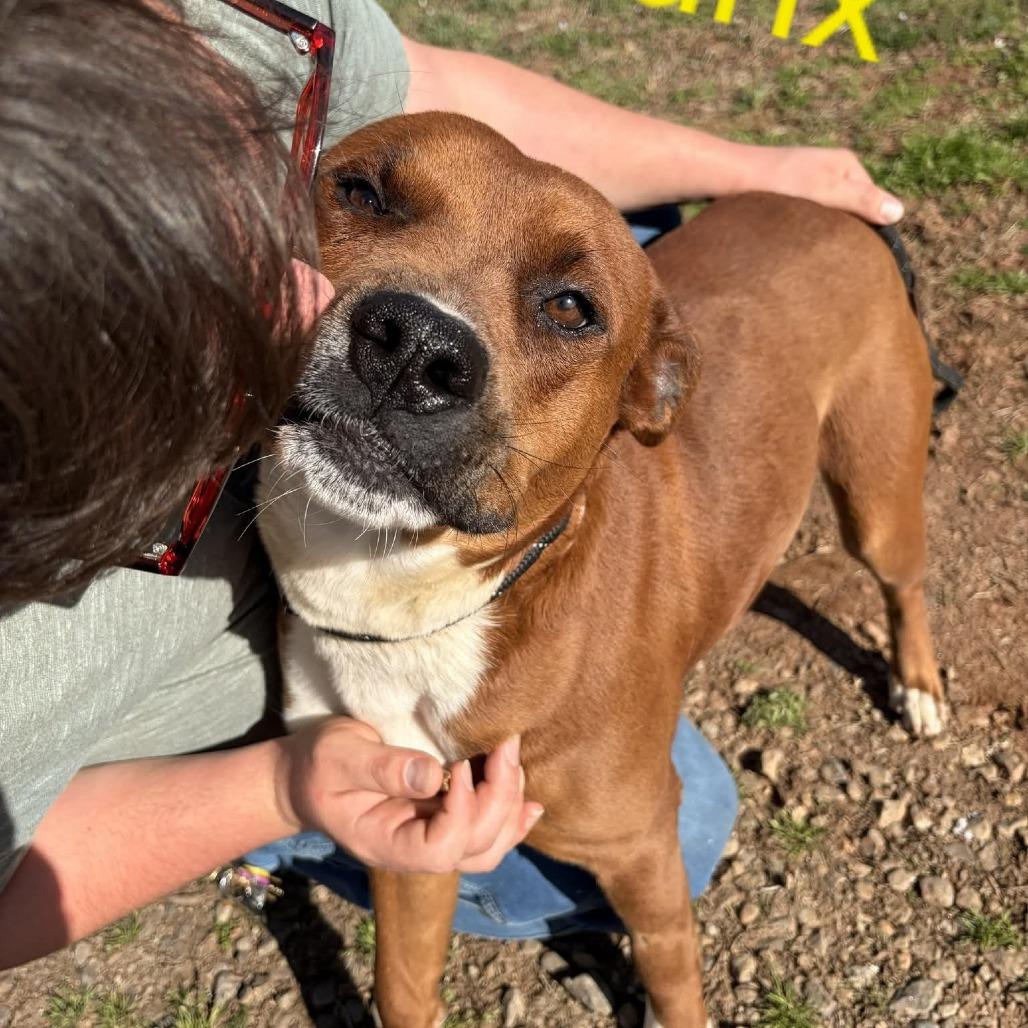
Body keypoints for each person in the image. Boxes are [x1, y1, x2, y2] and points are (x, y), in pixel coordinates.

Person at [0, 0, 902, 969]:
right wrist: (276, 787)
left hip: (444, 586)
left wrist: (767, 172)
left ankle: (908, 611)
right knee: (680, 820)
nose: (415, 333)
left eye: (364, 194)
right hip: (273, 704)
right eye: (370, 201)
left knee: (867, 566)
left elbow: (421, 90)